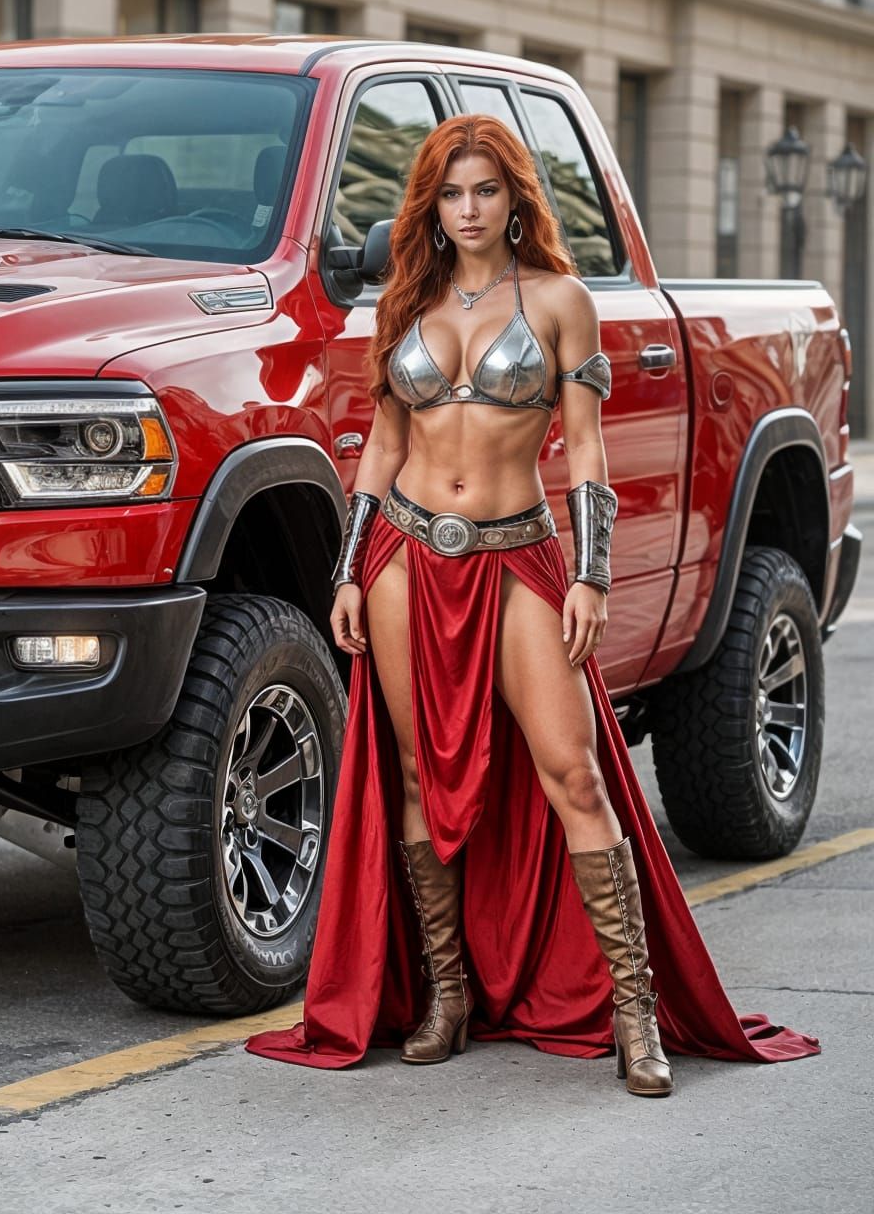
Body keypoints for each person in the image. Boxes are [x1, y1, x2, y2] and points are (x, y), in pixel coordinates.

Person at [245, 114, 820, 1094]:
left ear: (516, 201)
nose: (469, 211)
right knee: (421, 779)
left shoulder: (559, 301)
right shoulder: (404, 301)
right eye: (452, 194)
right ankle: (448, 993)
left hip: (520, 556)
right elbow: (382, 447)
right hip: (401, 557)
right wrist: (347, 567)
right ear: (431, 205)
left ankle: (634, 1012)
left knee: (575, 772)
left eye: (487, 192)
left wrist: (591, 574)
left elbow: (588, 451)